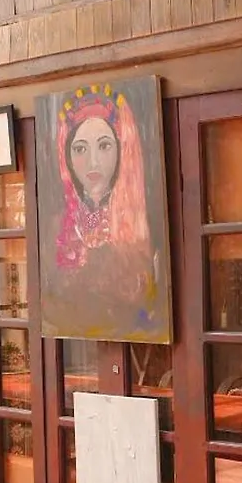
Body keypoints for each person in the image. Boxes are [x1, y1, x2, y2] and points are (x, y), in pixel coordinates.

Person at [49, 85, 162, 339]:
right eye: (80, 149)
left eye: (104, 146)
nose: (93, 162)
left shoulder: (145, 225)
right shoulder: (56, 227)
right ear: (67, 157)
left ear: (122, 150)